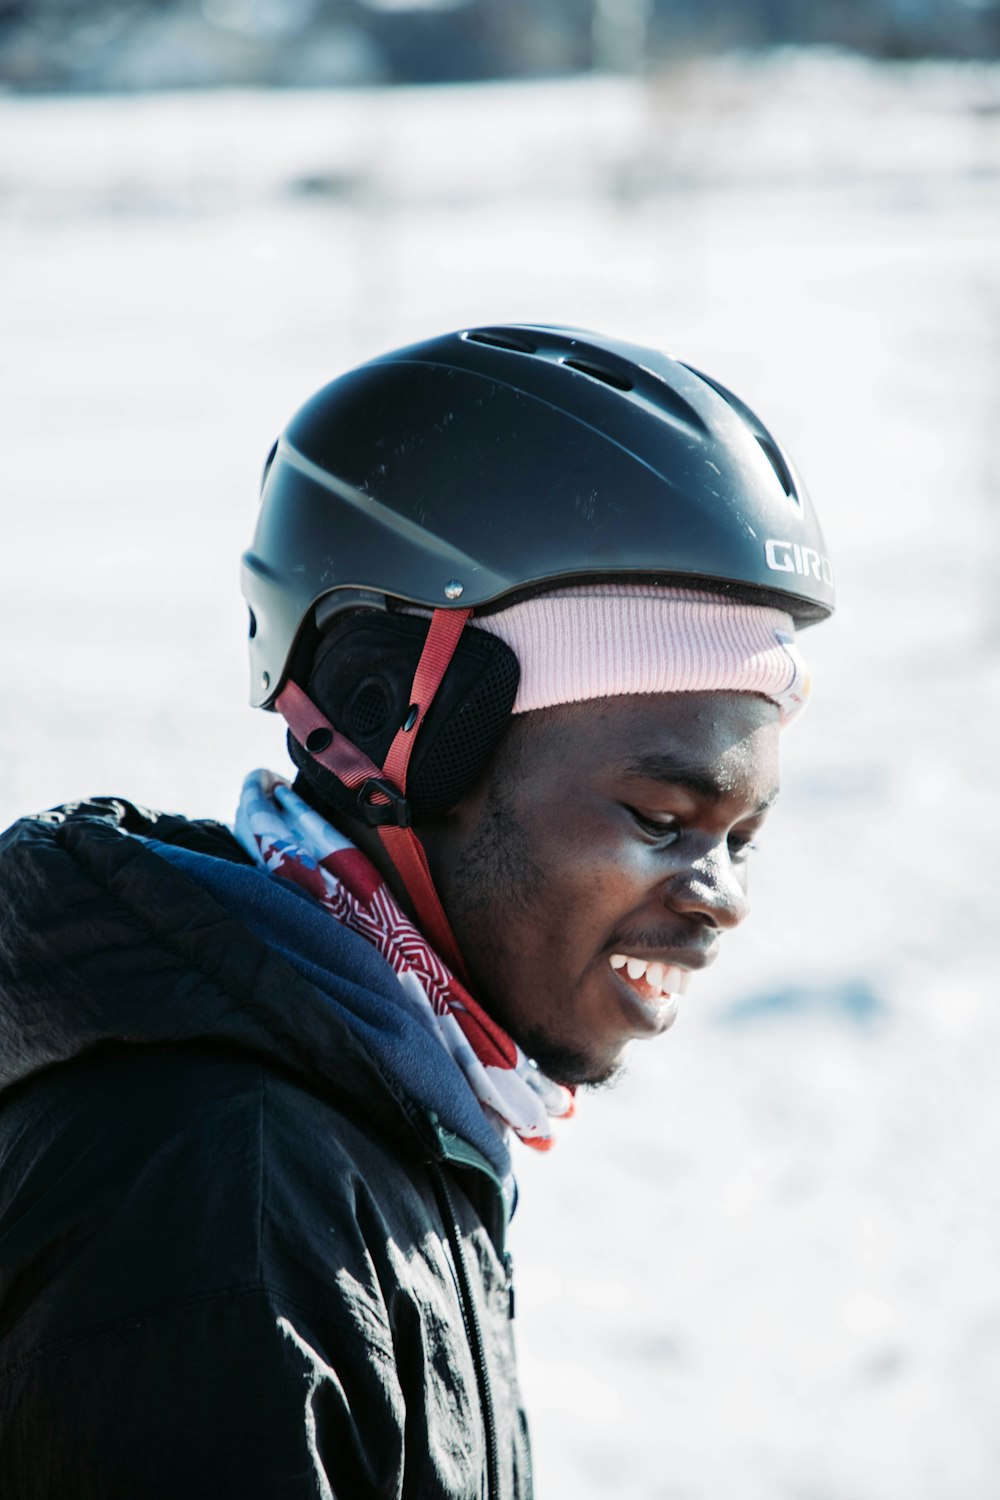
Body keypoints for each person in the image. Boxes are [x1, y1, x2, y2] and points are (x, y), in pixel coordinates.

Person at [0, 324, 833, 1498]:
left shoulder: (391, 1118)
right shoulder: (224, 1201)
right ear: (400, 724)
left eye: (740, 838)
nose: (724, 899)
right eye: (659, 815)